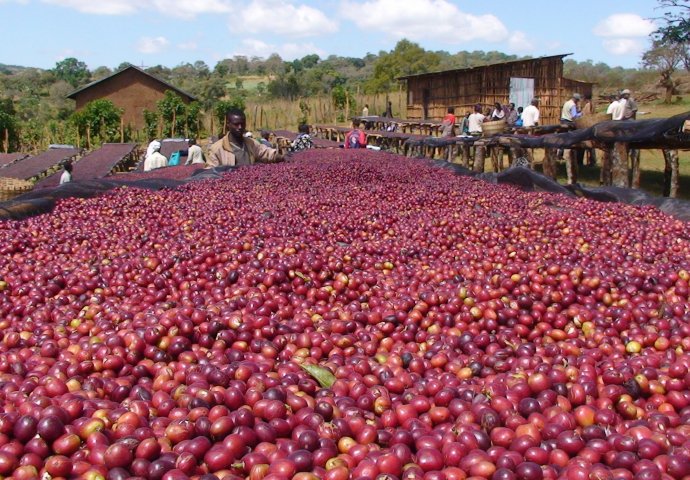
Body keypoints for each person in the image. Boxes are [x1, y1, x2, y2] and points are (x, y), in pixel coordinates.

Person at [208, 109, 284, 167]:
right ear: (228, 124)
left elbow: (266, 153)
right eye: (236, 124)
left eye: (242, 124)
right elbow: (210, 173)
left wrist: (280, 155)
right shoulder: (217, 149)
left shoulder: (251, 143)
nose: (240, 127)